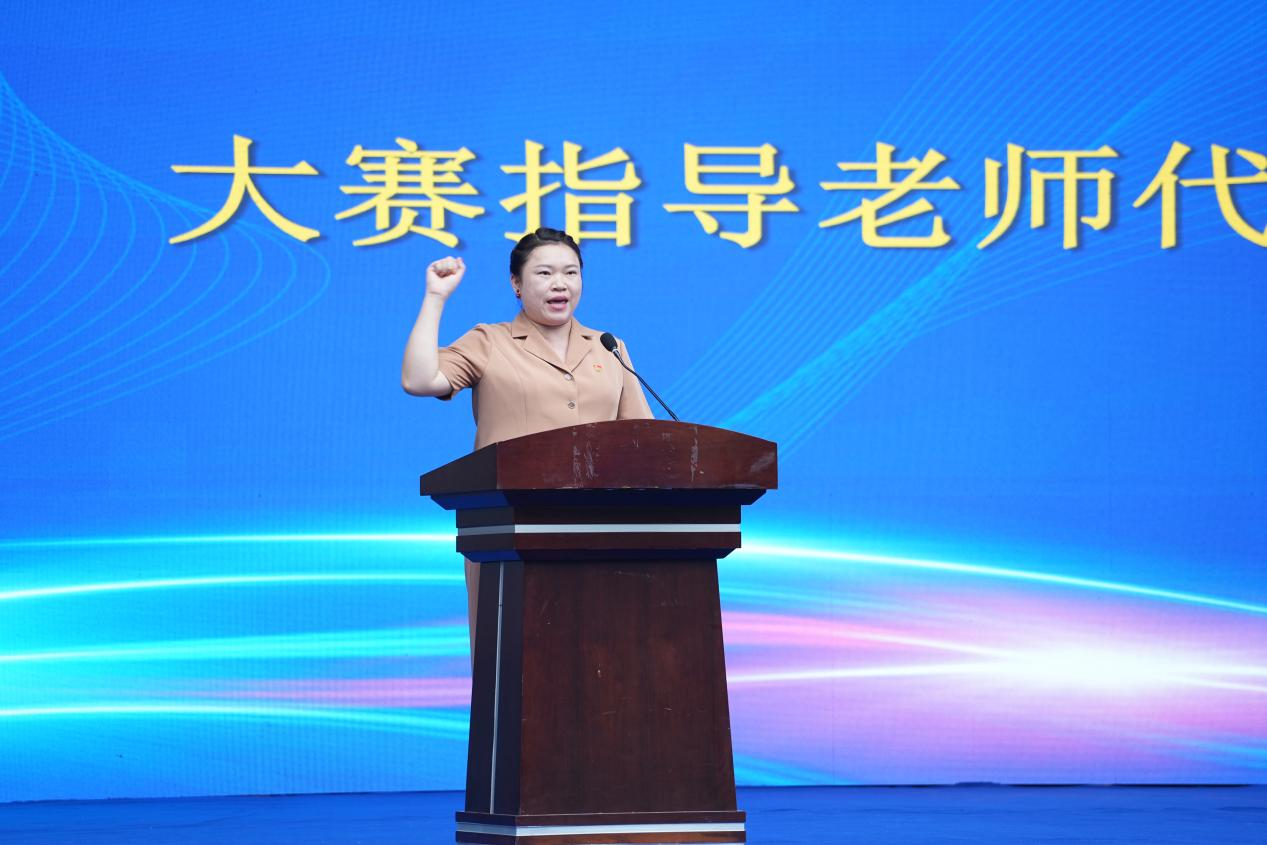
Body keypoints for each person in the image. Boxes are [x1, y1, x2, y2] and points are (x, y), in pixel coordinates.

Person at [401, 227, 653, 648]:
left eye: (570, 272)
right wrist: (435, 299)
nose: (560, 284)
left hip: (601, 531)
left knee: (601, 658)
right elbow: (418, 379)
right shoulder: (489, 342)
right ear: (516, 284)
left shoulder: (608, 347)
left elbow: (642, 439)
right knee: (516, 661)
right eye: (544, 273)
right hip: (510, 532)